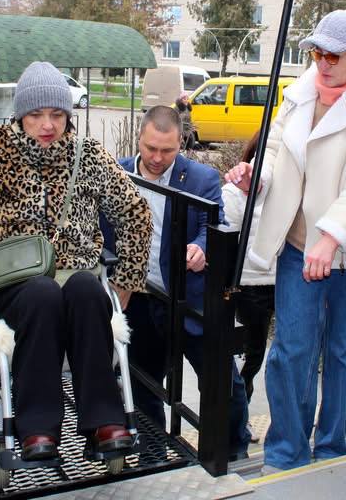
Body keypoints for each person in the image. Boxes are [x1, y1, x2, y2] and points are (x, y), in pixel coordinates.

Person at [0, 62, 152, 462]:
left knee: (85, 289)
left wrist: (126, 282)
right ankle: (37, 428)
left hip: (76, 276)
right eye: (36, 115)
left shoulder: (87, 155)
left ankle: (103, 422)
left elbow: (135, 212)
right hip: (10, 287)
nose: (48, 124)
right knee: (44, 294)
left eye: (57, 114)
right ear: (20, 115)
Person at [225, 10, 346, 471]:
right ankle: (286, 450)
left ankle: (330, 449)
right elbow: (277, 152)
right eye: (316, 53)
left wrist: (332, 236)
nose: (322, 63)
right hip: (300, 247)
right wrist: (253, 175)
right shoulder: (298, 95)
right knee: (292, 351)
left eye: (333, 55)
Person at [105, 105, 251, 459]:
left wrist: (201, 248)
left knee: (222, 382)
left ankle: (232, 448)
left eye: (167, 151)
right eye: (150, 148)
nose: (156, 158)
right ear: (139, 139)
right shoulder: (116, 174)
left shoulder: (201, 179)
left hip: (190, 297)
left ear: (181, 144)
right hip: (138, 296)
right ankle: (152, 453)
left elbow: (211, 223)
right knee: (143, 383)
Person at [222, 131, 275, 409]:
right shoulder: (237, 191)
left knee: (258, 356)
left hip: (282, 279)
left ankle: (239, 413)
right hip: (251, 284)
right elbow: (224, 239)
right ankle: (238, 415)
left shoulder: (288, 188)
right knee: (251, 354)